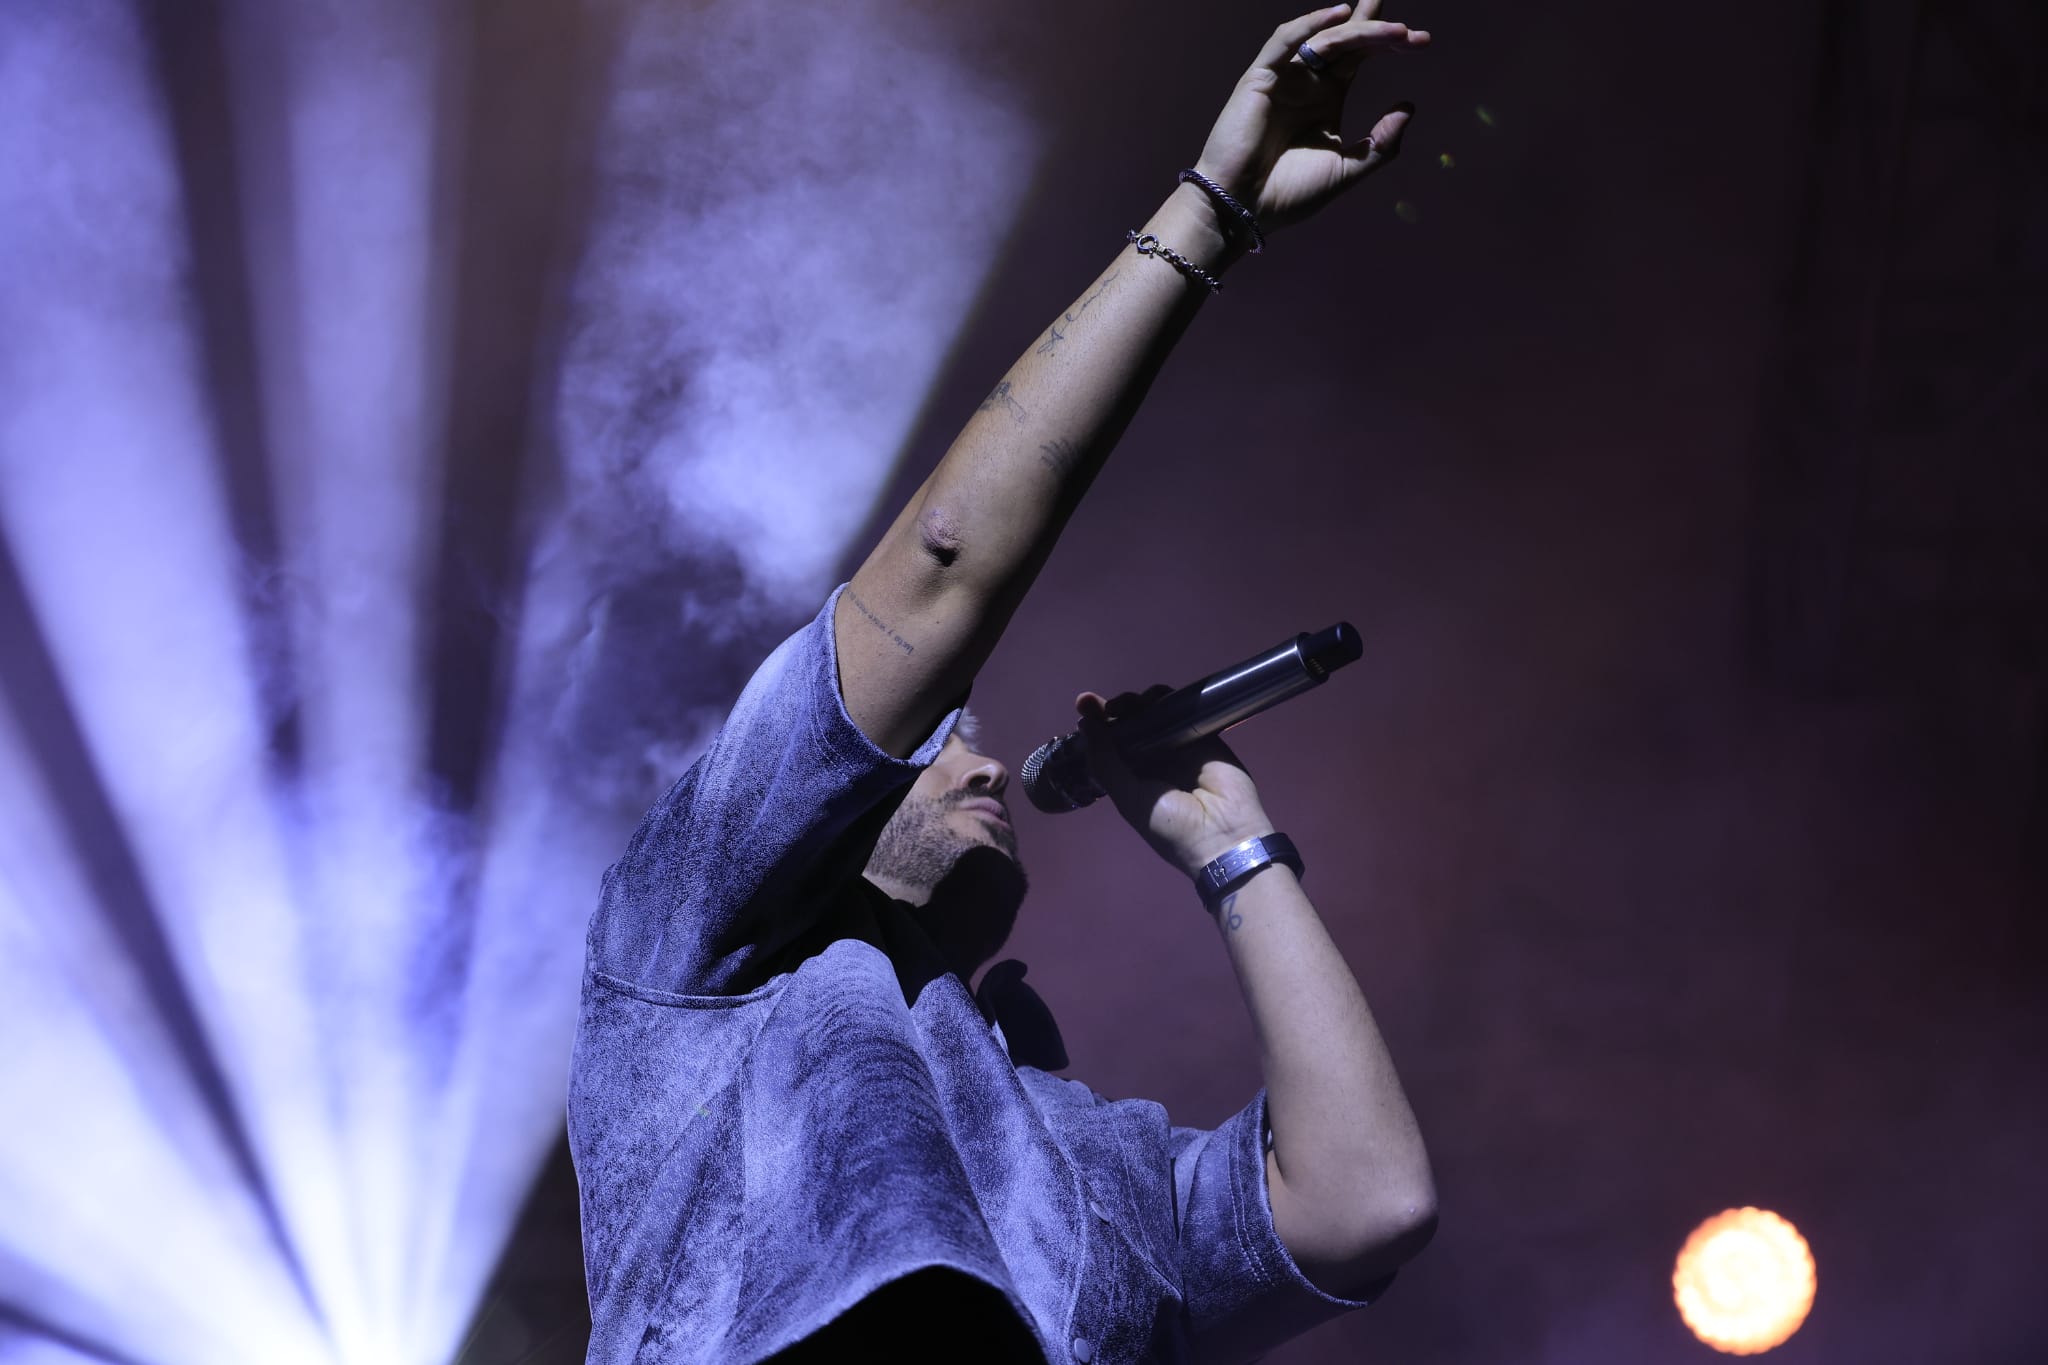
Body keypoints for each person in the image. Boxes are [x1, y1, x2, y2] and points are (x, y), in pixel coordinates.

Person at [568, 6, 1438, 1361]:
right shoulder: (696, 950)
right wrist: (1211, 214)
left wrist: (1233, 849)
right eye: (934, 744)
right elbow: (944, 562)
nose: (983, 764)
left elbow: (1366, 1202)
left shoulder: (1076, 1148)